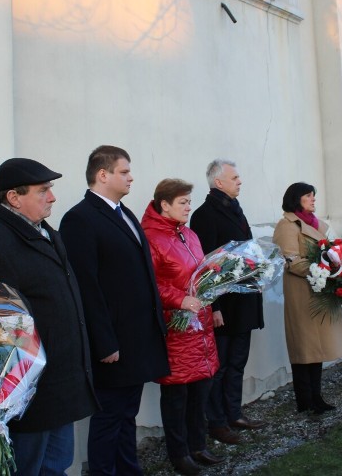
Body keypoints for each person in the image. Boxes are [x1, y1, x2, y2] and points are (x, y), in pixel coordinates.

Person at [0, 158, 99, 474]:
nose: (51, 197)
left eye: (50, 189)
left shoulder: (45, 232)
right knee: (26, 468)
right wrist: (14, 397)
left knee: (57, 466)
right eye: (43, 190)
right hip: (29, 397)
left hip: (60, 383)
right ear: (14, 197)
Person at [59, 145, 170, 476]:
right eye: (124, 171)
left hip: (137, 337)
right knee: (109, 416)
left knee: (127, 413)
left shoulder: (124, 213)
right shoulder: (80, 219)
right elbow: (86, 288)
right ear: (102, 175)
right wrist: (104, 342)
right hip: (113, 343)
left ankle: (128, 469)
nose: (131, 177)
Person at [142, 178, 222, 475]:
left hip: (200, 324)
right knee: (177, 395)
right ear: (164, 204)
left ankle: (198, 444)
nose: (189, 207)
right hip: (175, 327)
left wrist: (212, 297)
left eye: (189, 201)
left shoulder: (189, 234)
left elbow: (200, 274)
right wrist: (180, 300)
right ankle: (180, 453)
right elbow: (150, 284)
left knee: (201, 389)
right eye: (183, 202)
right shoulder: (150, 237)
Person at [190, 159, 265, 445]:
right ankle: (216, 421)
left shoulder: (235, 208)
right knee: (219, 366)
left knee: (237, 361)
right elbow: (205, 264)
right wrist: (215, 306)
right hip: (224, 304)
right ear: (218, 182)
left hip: (243, 300)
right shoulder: (204, 215)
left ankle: (234, 413)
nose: (240, 181)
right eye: (235, 177)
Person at [271, 182, 342, 415]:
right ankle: (304, 400)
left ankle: (316, 396)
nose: (313, 199)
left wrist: (336, 265)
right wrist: (322, 268)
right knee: (304, 348)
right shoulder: (287, 225)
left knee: (317, 349)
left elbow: (332, 250)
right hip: (301, 293)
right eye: (308, 196)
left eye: (314, 195)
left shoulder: (317, 224)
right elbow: (291, 260)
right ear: (296, 199)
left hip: (319, 290)